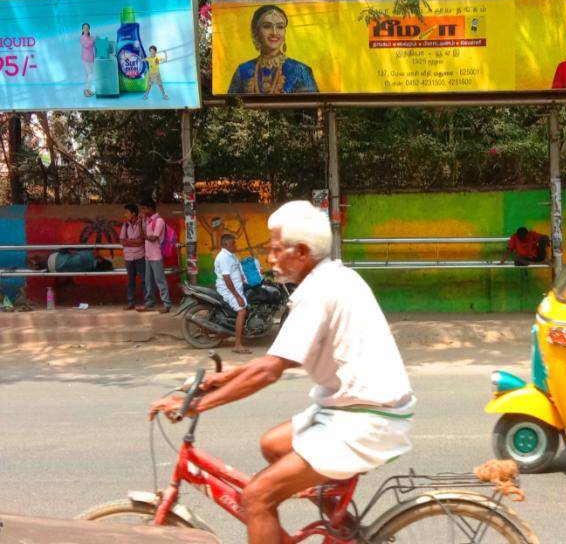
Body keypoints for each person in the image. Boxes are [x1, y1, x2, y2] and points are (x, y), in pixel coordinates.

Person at [148, 201, 414, 544]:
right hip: (352, 409)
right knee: (273, 445)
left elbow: (269, 370)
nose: (269, 257)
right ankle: (344, 530)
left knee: (256, 498)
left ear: (301, 252)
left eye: (276, 249)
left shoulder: (318, 292)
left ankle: (330, 528)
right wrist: (218, 380)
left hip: (365, 420)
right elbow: (278, 360)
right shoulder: (334, 276)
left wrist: (197, 405)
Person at [227, 5, 319, 94]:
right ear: (256, 31)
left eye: (280, 27)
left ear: (284, 33)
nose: (274, 32)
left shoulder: (300, 71)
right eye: (267, 26)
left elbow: (313, 103)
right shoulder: (243, 71)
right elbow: (230, 104)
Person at [214, 233, 250, 354]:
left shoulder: (231, 255)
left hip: (236, 287)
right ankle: (237, 345)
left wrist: (245, 280)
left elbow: (237, 271)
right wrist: (237, 296)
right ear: (226, 244)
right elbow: (227, 278)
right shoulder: (224, 257)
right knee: (242, 310)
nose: (235, 245)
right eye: (233, 243)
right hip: (228, 289)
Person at [137, 199, 172, 314]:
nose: (142, 211)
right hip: (148, 255)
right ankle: (149, 302)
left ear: (150, 208)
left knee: (160, 280)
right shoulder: (147, 221)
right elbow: (143, 235)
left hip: (156, 255)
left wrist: (144, 236)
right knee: (149, 281)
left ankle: (166, 304)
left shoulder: (159, 221)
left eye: (144, 208)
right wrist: (140, 222)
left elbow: (153, 238)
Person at [119, 203, 146, 311]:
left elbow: (142, 241)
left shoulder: (142, 223)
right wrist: (135, 242)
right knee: (130, 281)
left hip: (140, 255)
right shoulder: (125, 225)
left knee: (144, 280)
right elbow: (122, 241)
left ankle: (147, 302)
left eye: (127, 212)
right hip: (129, 257)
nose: (125, 214)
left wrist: (129, 241)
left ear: (133, 213)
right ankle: (131, 302)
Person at [79, 23, 95, 97]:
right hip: (85, 59)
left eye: (87, 28)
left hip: (91, 58)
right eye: (84, 28)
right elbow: (86, 45)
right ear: (82, 29)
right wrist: (93, 39)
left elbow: (93, 45)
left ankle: (89, 89)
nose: (86, 29)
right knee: (90, 74)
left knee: (91, 75)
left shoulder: (90, 37)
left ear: (89, 29)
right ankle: (86, 90)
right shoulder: (82, 37)